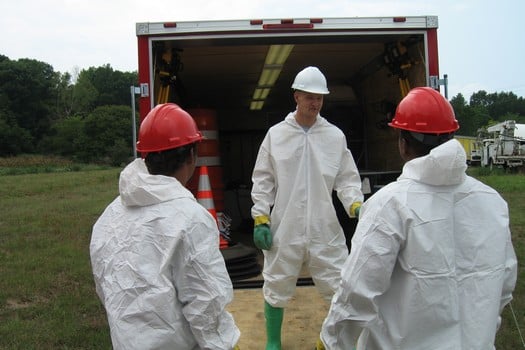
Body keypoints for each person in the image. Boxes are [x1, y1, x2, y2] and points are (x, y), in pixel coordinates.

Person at [319, 87, 518, 350]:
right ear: (451, 136)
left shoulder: (390, 204)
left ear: (403, 143)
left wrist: (330, 342)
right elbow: (503, 284)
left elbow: (356, 292)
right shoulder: (492, 201)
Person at [90, 103, 241, 350]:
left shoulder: (109, 216)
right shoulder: (191, 219)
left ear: (146, 155)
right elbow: (206, 302)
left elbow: (106, 287)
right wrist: (224, 344)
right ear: (192, 156)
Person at [251, 66, 364, 349]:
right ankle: (274, 341)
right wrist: (261, 218)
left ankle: (329, 340)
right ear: (296, 96)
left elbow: (347, 178)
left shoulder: (334, 136)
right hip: (285, 226)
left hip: (324, 227)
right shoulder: (277, 135)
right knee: (276, 283)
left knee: (339, 286)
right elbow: (263, 179)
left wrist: (356, 205)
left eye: (320, 98)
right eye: (310, 97)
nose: (315, 103)